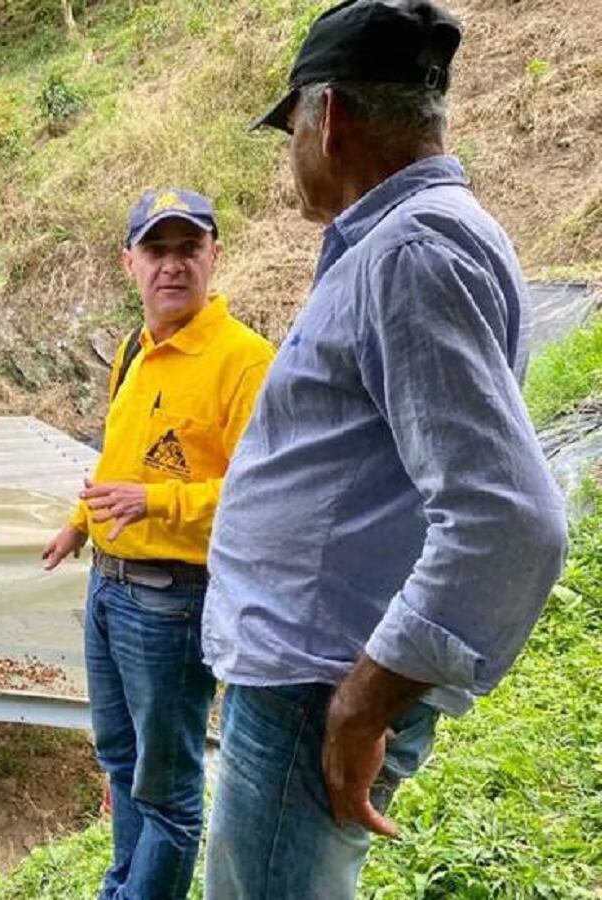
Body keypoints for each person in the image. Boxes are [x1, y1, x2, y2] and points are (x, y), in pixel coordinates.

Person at [200, 2, 569, 897]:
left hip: (315, 694)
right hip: (306, 683)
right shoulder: (414, 240)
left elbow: (508, 521)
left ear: (327, 119)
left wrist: (364, 705)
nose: (289, 150)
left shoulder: (412, 252)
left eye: (288, 126)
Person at [42, 188, 273, 900]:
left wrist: (157, 502)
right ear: (129, 263)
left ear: (214, 256)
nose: (171, 266)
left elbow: (260, 500)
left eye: (187, 248)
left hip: (173, 601)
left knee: (167, 791)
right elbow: (120, 460)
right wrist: (80, 524)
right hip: (108, 587)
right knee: (118, 761)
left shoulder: (246, 362)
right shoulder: (134, 353)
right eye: (155, 250)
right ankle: (121, 887)